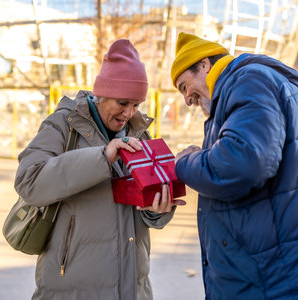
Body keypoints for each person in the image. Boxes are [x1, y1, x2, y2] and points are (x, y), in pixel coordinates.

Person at [170, 32, 298, 299]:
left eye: (184, 86)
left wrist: (185, 163)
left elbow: (243, 164)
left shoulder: (249, 81)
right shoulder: (239, 91)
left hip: (288, 284)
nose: (187, 99)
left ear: (204, 64)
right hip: (283, 278)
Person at [15, 39, 184, 300]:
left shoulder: (140, 134)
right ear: (101, 94)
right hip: (71, 289)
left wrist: (157, 210)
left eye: (136, 105)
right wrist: (102, 157)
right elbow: (29, 181)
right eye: (122, 103)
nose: (129, 113)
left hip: (132, 288)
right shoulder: (63, 124)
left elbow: (146, 213)